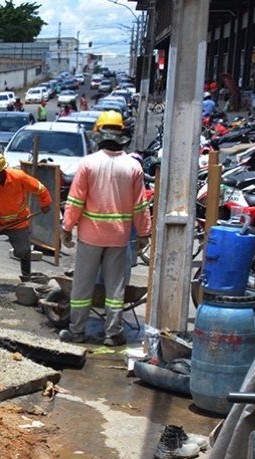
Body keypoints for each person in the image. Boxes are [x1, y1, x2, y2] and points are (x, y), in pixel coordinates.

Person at [60, 111, 152, 347]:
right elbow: (141, 205)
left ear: (98, 135)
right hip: (119, 237)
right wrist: (143, 234)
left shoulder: (88, 164)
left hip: (91, 237)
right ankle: (113, 334)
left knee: (82, 285)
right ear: (121, 135)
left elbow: (76, 200)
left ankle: (77, 331)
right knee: (115, 287)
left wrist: (67, 227)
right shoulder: (133, 167)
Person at [0, 151, 52, 283]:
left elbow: (39, 188)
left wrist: (45, 203)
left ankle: (27, 280)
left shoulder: (18, 177)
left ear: (2, 171)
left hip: (18, 222)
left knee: (23, 252)